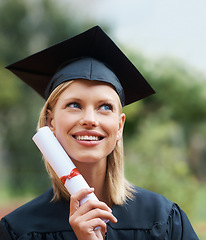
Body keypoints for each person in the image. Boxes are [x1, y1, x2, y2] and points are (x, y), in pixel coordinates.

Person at [0, 26, 198, 240]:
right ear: (50, 121)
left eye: (105, 107)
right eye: (74, 105)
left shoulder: (164, 220)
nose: (90, 120)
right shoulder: (18, 231)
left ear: (119, 126)